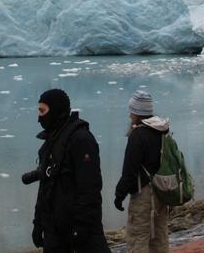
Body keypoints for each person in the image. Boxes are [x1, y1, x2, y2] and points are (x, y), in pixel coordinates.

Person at [24, 88, 112, 253]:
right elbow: (45, 187)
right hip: (55, 232)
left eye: (43, 111)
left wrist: (81, 226)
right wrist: (38, 224)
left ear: (56, 109)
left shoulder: (81, 139)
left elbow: (90, 188)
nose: (39, 117)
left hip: (82, 229)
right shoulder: (52, 140)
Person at [113, 91, 170, 253]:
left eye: (132, 110)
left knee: (138, 237)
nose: (130, 114)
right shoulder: (162, 130)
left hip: (144, 194)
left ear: (137, 112)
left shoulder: (138, 134)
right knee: (159, 237)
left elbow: (130, 171)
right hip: (161, 191)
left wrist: (120, 195)